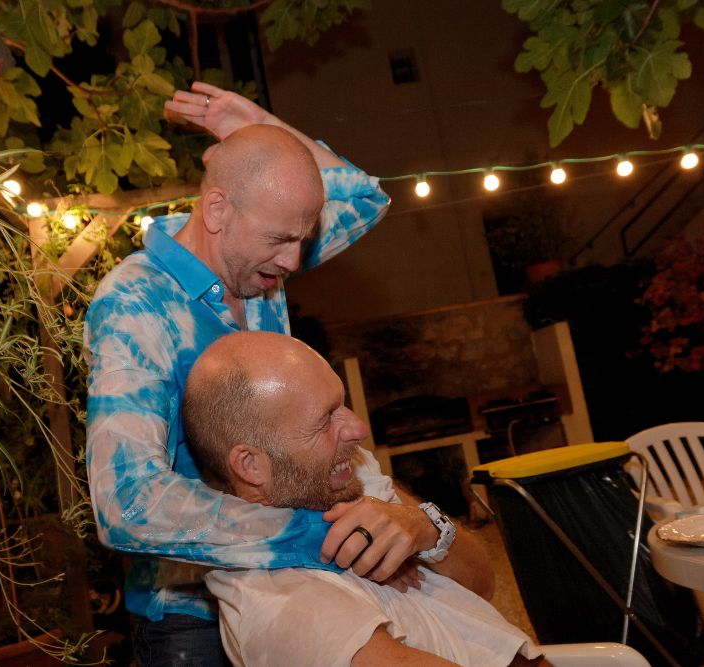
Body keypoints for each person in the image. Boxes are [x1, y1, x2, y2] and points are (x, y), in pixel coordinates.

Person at [86, 81, 488, 665]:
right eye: (280, 239)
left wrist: (256, 124)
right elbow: (126, 501)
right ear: (217, 210)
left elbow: (364, 197)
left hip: (298, 588)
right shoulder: (133, 303)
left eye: (302, 239)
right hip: (192, 616)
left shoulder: (258, 265)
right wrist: (330, 539)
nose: (295, 261)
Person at [182, 331, 547, 667]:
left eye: (343, 405)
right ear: (251, 465)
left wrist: (426, 527)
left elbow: (483, 583)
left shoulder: (350, 479)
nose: (359, 429)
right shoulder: (279, 600)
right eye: (325, 420)